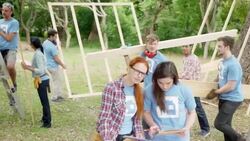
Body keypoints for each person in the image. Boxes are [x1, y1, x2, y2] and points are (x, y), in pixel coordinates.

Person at [96, 56, 149, 141]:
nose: (139, 76)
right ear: (129, 68)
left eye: (143, 74)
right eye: (137, 71)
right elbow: (104, 118)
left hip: (129, 136)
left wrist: (139, 135)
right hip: (111, 135)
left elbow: (137, 120)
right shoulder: (112, 87)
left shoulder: (140, 92)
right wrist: (107, 138)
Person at [144, 61, 196, 141]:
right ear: (155, 79)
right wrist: (153, 125)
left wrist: (187, 127)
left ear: (174, 78)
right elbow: (146, 112)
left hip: (179, 137)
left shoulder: (184, 89)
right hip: (158, 137)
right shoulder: (149, 90)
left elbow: (192, 112)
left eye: (168, 83)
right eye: (160, 83)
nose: (164, 87)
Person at [213, 36, 245, 141]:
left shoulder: (233, 64)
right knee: (226, 125)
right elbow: (221, 77)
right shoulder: (222, 62)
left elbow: (231, 86)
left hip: (233, 99)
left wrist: (216, 92)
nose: (217, 48)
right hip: (224, 97)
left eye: (219, 46)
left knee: (219, 123)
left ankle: (240, 139)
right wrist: (214, 85)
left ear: (227, 47)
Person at [180, 45, 210, 137]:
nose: (185, 48)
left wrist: (176, 76)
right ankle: (185, 127)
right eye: (183, 46)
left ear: (191, 47)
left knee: (197, 108)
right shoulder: (186, 58)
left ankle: (206, 129)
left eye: (187, 46)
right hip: (187, 86)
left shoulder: (193, 59)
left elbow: (187, 75)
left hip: (193, 87)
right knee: (185, 107)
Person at [21, 37, 51, 128]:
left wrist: (27, 68)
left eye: (30, 44)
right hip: (41, 79)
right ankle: (44, 117)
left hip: (42, 80)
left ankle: (47, 122)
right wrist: (28, 66)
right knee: (43, 101)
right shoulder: (38, 52)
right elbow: (38, 67)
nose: (30, 45)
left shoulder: (38, 54)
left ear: (33, 45)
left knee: (44, 102)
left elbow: (40, 70)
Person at [43, 29, 66, 102]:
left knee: (57, 80)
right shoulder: (51, 47)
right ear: (51, 36)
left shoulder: (45, 42)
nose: (56, 38)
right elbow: (56, 58)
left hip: (48, 65)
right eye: (55, 37)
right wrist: (63, 65)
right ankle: (55, 97)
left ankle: (58, 95)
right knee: (56, 81)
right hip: (53, 66)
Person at [0, 2, 19, 90]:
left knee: (10, 66)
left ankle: (14, 83)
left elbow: (9, 38)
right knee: (3, 74)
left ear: (11, 11)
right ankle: (11, 97)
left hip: (10, 49)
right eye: (2, 10)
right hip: (1, 49)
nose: (4, 12)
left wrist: (0, 31)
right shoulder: (0, 21)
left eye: (6, 10)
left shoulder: (14, 22)